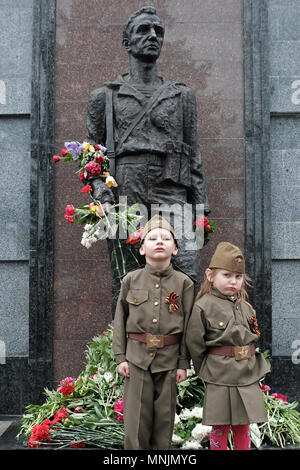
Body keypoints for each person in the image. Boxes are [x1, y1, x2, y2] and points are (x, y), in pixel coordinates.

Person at [86, 6, 210, 311]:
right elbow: (90, 154)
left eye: (158, 31)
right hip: (125, 187)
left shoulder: (183, 96)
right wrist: (103, 196)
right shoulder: (104, 96)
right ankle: (124, 355)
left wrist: (202, 210)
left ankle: (184, 356)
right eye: (143, 30)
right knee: (127, 279)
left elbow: (193, 155)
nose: (153, 36)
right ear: (127, 42)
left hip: (173, 186)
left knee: (187, 272)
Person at [112, 215, 195, 450]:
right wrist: (121, 357)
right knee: (135, 419)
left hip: (169, 360)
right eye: (153, 238)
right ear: (141, 249)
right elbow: (120, 319)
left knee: (164, 418)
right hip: (137, 358)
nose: (160, 242)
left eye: (166, 238)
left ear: (175, 249)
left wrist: (182, 362)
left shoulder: (184, 283)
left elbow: (188, 325)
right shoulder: (131, 280)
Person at [186, 242, 270, 450]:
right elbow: (195, 343)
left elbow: (253, 336)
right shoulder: (203, 306)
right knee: (220, 426)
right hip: (219, 374)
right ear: (211, 275)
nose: (233, 281)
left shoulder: (246, 307)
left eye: (238, 277)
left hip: (246, 374)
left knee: (243, 425)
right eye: (227, 275)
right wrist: (204, 370)